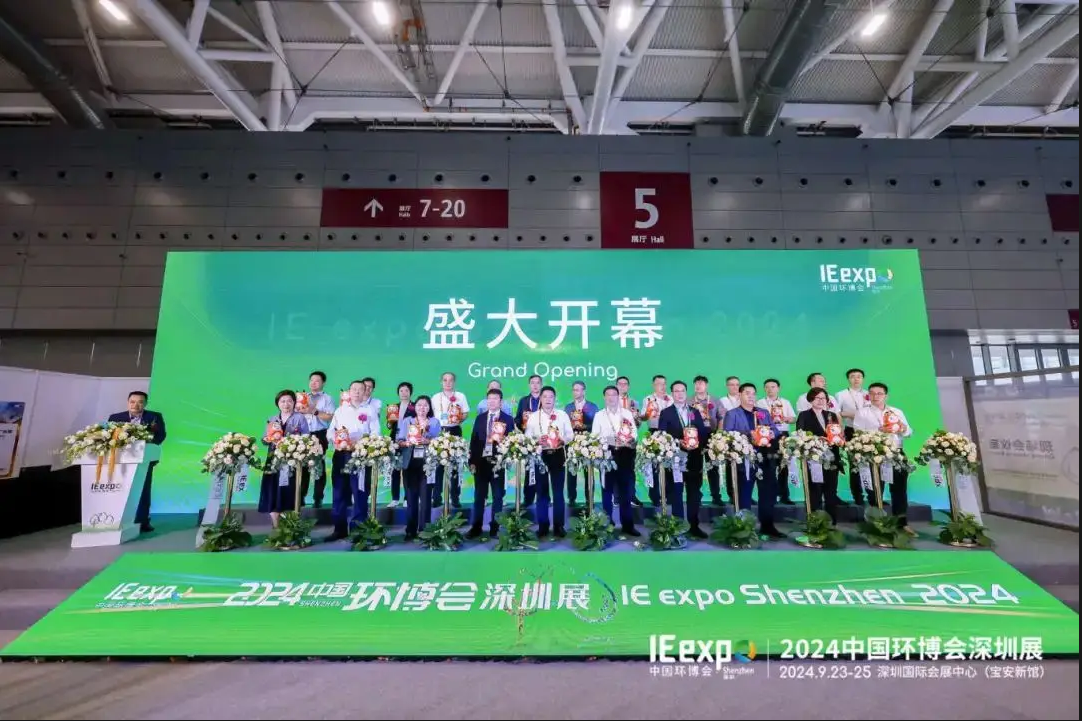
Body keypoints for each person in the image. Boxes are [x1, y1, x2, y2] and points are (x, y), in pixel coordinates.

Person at [722, 382, 785, 539]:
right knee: (744, 495)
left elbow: (775, 429)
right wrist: (749, 435)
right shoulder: (732, 414)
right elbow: (727, 435)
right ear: (740, 395)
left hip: (766, 458)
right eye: (747, 393)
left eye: (753, 393)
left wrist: (771, 434)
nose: (751, 396)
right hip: (745, 460)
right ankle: (745, 528)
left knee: (768, 494)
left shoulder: (763, 412)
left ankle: (767, 526)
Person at [854, 382, 915, 535]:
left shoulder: (896, 411)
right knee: (875, 489)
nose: (875, 396)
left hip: (896, 453)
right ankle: (876, 523)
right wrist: (879, 431)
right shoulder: (862, 412)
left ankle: (902, 523)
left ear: (886, 396)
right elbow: (858, 433)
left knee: (899, 489)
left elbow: (909, 432)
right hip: (874, 454)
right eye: (872, 393)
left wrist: (903, 428)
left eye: (879, 393)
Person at [325, 380, 381, 541]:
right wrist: (335, 440)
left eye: (360, 389)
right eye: (354, 389)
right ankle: (339, 529)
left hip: (360, 456)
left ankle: (358, 529)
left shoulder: (370, 410)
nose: (356, 392)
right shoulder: (340, 410)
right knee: (339, 492)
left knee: (360, 492)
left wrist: (360, 442)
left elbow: (376, 433)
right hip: (341, 455)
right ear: (349, 392)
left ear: (365, 392)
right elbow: (330, 432)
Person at [108, 391, 166, 533]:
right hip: (120, 462)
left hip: (144, 460)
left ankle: (142, 521)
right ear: (128, 402)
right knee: (120, 490)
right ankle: (117, 520)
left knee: (143, 491)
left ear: (145, 403)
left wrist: (146, 445)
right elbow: (109, 437)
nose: (136, 405)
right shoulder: (115, 418)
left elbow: (160, 435)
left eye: (140, 402)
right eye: (132, 402)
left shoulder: (154, 417)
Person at [657, 380, 709, 538]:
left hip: (694, 459)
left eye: (682, 391)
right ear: (672, 394)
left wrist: (698, 443)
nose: (680, 394)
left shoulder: (695, 411)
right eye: (676, 391)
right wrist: (678, 442)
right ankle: (678, 527)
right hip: (675, 459)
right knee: (676, 493)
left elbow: (702, 432)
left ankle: (694, 526)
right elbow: (662, 435)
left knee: (694, 493)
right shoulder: (666, 413)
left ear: (686, 393)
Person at [524, 386, 575, 537]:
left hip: (558, 455)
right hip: (540, 456)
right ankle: (543, 526)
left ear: (555, 399)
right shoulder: (534, 417)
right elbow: (527, 437)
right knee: (541, 493)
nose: (548, 399)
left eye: (551, 396)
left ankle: (559, 526)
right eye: (545, 396)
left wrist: (562, 440)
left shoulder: (562, 415)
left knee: (558, 493)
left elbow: (570, 435)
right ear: (540, 399)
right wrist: (536, 440)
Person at [591, 386, 641, 536]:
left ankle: (628, 525)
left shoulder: (626, 413)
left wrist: (629, 440)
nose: (611, 397)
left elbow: (634, 433)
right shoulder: (599, 415)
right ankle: (607, 524)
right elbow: (594, 436)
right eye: (608, 395)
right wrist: (609, 440)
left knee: (626, 491)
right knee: (607, 491)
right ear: (604, 397)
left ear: (618, 397)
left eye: (614, 395)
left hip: (625, 454)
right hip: (607, 455)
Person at [258, 390, 310, 528]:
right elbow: (264, 438)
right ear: (278, 404)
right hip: (273, 460)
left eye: (289, 401)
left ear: (294, 403)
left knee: (289, 489)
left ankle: (291, 526)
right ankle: (276, 526)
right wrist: (267, 439)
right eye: (282, 401)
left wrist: (292, 442)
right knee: (272, 489)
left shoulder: (300, 418)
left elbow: (306, 437)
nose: (286, 404)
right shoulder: (272, 419)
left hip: (291, 460)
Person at [467, 389, 515, 539]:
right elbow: (474, 440)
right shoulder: (480, 418)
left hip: (497, 463)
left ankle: (495, 527)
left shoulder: (508, 419)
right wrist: (472, 461)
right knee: (479, 497)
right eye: (490, 398)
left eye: (495, 399)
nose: (492, 401)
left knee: (498, 497)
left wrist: (503, 442)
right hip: (480, 463)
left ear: (501, 402)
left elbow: (512, 441)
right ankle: (476, 527)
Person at [396, 395, 442, 541]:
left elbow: (440, 441)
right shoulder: (407, 421)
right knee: (411, 498)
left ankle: (425, 530)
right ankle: (410, 530)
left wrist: (427, 440)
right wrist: (407, 442)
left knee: (426, 498)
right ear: (414, 407)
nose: (422, 408)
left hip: (427, 465)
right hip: (410, 464)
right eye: (419, 405)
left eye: (425, 405)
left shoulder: (434, 422)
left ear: (429, 408)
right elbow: (399, 441)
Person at [795, 388, 843, 524]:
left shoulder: (831, 415)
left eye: (823, 398)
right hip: (813, 458)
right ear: (811, 400)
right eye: (817, 398)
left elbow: (837, 433)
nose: (821, 401)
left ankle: (831, 523)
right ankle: (815, 522)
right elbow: (800, 434)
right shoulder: (804, 415)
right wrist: (816, 439)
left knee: (831, 491)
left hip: (832, 458)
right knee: (814, 491)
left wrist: (839, 439)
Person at [431, 372, 469, 509]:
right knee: (438, 466)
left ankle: (455, 497)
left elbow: (466, 413)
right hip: (440, 431)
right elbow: (431, 415)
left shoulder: (460, 396)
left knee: (455, 465)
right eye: (445, 380)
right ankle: (436, 497)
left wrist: (458, 418)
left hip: (455, 430)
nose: (448, 383)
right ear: (441, 382)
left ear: (454, 382)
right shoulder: (435, 397)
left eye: (450, 380)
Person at [298, 370, 335, 508]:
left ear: (323, 383)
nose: (313, 383)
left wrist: (314, 411)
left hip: (320, 434)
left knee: (319, 465)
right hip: (303, 435)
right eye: (311, 380)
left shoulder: (327, 398)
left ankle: (318, 498)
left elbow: (330, 417)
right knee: (303, 465)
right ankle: (300, 496)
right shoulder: (301, 397)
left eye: (317, 381)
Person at [757, 378, 796, 505]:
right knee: (769, 466)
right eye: (767, 387)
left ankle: (784, 495)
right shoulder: (760, 403)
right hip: (767, 436)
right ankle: (771, 495)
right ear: (764, 389)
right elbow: (757, 421)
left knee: (784, 466)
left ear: (778, 388)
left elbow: (793, 419)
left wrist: (786, 418)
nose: (770, 389)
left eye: (773, 387)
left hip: (783, 436)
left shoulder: (785, 402)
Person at [837, 367, 872, 506]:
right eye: (852, 376)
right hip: (851, 430)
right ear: (848, 379)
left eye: (859, 376)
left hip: (869, 432)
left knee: (871, 462)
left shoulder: (869, 394)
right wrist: (853, 415)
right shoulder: (841, 394)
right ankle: (858, 496)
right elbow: (837, 413)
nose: (856, 379)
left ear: (863, 379)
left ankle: (874, 496)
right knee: (855, 464)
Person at [564, 380, 599, 507]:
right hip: (572, 443)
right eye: (574, 390)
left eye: (578, 390)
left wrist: (585, 426)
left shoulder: (593, 407)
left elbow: (596, 425)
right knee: (571, 471)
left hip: (587, 443)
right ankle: (571, 499)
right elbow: (564, 425)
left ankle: (589, 499)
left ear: (584, 391)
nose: (576, 392)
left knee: (588, 471)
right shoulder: (568, 407)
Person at [691, 375, 724, 506]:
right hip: (694, 436)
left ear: (706, 385)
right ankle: (696, 496)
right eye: (696, 383)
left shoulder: (715, 400)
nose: (698, 386)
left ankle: (716, 496)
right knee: (695, 467)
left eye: (701, 383)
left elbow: (721, 417)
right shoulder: (689, 400)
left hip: (712, 435)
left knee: (713, 467)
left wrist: (719, 434)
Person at [641, 374, 673, 509]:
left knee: (670, 465)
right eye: (659, 384)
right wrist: (648, 412)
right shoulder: (648, 399)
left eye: (664, 383)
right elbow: (643, 417)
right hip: (654, 432)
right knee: (654, 467)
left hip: (670, 433)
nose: (662, 386)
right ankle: (654, 496)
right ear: (654, 385)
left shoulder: (671, 398)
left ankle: (669, 496)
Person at [385, 382, 416, 508]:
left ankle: (407, 498)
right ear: (398, 393)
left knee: (407, 470)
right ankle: (395, 498)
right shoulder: (394, 407)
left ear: (410, 392)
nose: (404, 393)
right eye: (401, 391)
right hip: (395, 441)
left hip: (408, 441)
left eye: (406, 390)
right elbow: (389, 426)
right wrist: (389, 423)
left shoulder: (415, 407)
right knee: (395, 470)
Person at [614, 375, 643, 508]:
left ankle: (631, 496)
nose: (622, 386)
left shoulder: (634, 402)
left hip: (630, 441)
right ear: (616, 386)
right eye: (620, 384)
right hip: (616, 441)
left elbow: (638, 424)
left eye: (625, 384)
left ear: (628, 386)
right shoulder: (612, 400)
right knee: (616, 468)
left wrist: (636, 418)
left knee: (630, 469)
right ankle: (617, 497)